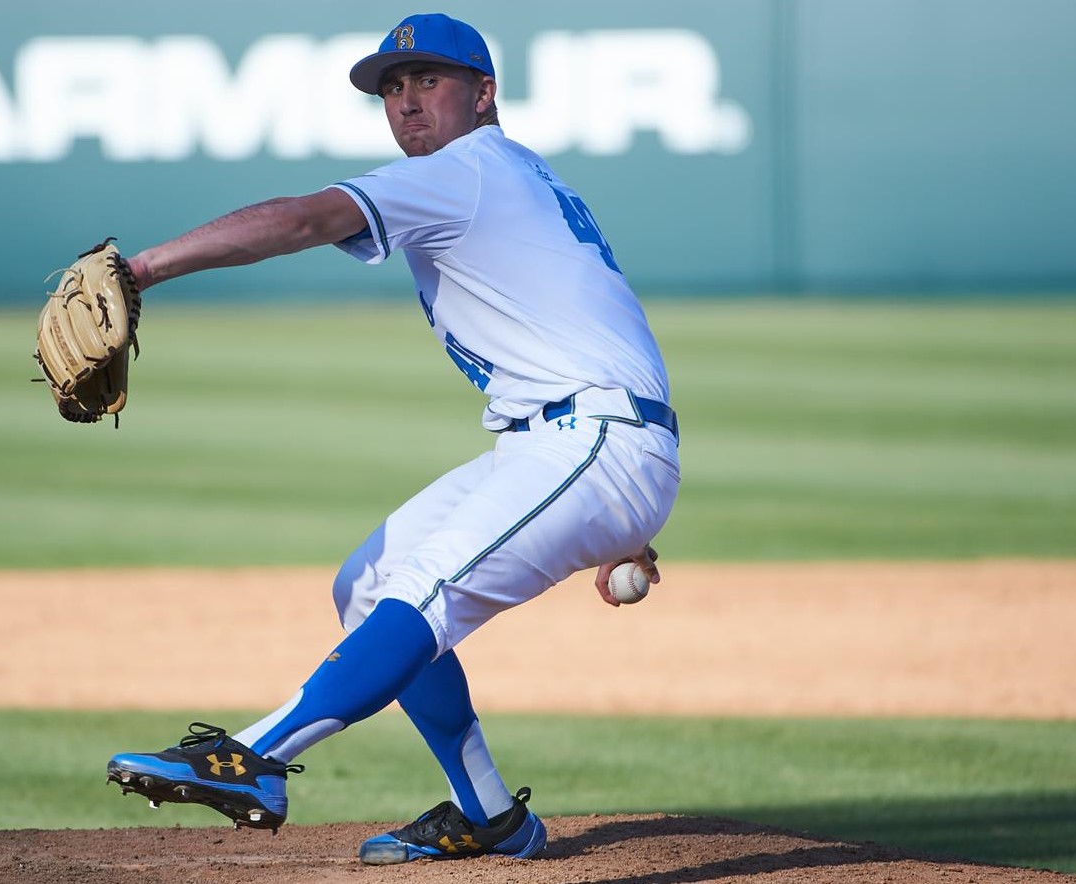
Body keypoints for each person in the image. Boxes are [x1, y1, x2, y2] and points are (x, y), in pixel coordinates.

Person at [105, 12, 680, 864]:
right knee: (367, 585)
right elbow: (589, 318)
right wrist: (618, 496)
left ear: (484, 95)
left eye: (428, 82)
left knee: (420, 587)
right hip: (572, 443)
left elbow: (303, 218)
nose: (406, 102)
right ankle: (487, 813)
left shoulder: (467, 171)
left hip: (591, 437)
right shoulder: (507, 172)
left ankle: (255, 756)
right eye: (392, 88)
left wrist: (141, 268)